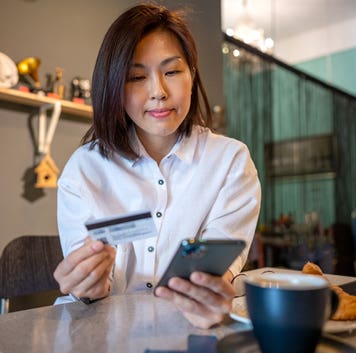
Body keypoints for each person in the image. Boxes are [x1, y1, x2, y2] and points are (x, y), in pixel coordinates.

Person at [53, 3, 261, 329]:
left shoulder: (231, 163)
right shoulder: (84, 169)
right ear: (114, 88)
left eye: (172, 72)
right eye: (137, 77)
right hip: (100, 337)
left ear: (193, 74)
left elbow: (215, 273)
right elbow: (87, 289)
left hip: (190, 333)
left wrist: (210, 294)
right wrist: (87, 285)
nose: (159, 93)